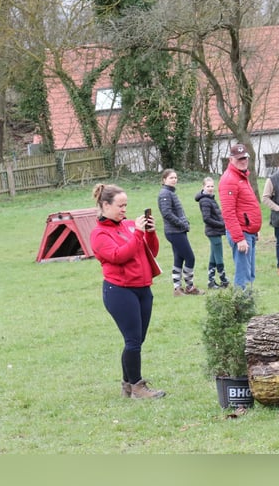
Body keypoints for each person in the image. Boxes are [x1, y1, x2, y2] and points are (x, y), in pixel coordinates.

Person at [90, 183, 166, 399]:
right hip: (120, 291)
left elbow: (152, 251)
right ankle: (138, 387)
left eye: (126, 205)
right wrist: (137, 234)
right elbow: (118, 256)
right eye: (120, 206)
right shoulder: (99, 234)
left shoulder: (130, 226)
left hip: (143, 288)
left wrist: (149, 233)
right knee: (132, 340)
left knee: (137, 341)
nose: (124, 210)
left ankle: (127, 385)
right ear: (105, 205)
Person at [218, 142, 262, 292]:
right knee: (243, 276)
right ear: (231, 160)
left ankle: (248, 306)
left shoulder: (241, 176)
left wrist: (255, 228)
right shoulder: (230, 180)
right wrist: (239, 238)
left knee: (249, 273)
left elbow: (246, 206)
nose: (243, 161)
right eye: (239, 159)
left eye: (245, 158)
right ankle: (241, 308)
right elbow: (228, 212)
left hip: (248, 231)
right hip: (241, 233)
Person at [158, 169, 202, 296]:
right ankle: (189, 287)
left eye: (176, 177)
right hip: (174, 231)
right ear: (164, 180)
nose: (174, 180)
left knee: (179, 258)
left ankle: (177, 289)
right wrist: (182, 224)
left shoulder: (170, 192)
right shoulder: (165, 194)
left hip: (178, 230)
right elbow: (167, 213)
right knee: (190, 258)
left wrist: (185, 223)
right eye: (171, 178)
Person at [195, 176, 230, 289]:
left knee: (213, 256)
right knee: (219, 256)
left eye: (212, 186)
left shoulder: (210, 198)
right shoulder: (205, 200)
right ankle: (223, 279)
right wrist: (222, 224)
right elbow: (207, 218)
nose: (210, 188)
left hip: (215, 231)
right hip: (213, 232)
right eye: (208, 186)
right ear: (203, 187)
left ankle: (211, 281)